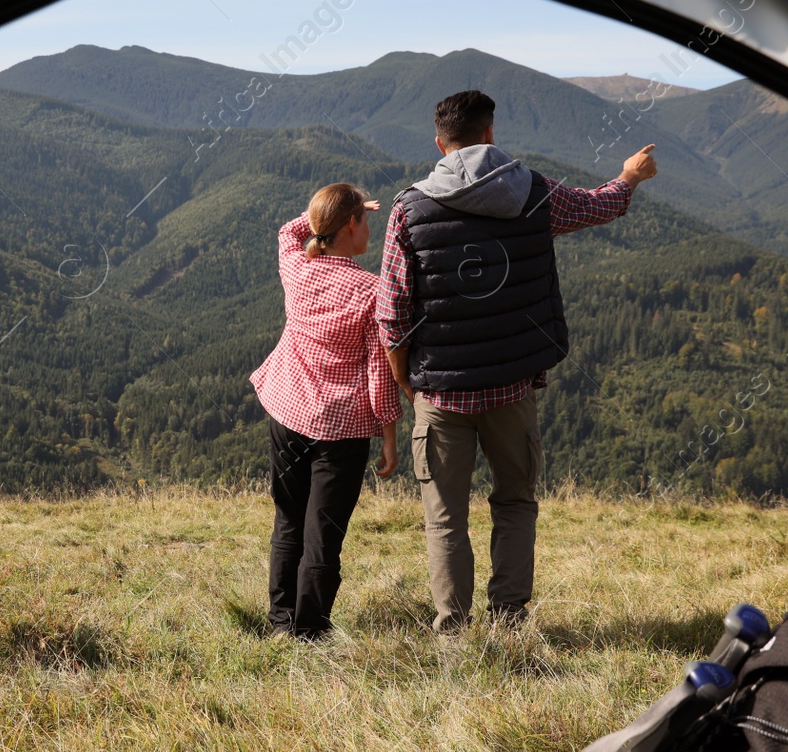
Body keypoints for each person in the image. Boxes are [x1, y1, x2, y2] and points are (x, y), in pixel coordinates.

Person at [378, 90, 658, 634]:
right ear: (489, 136)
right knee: (514, 502)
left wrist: (406, 384)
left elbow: (392, 314)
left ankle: (454, 631)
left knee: (444, 519)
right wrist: (629, 177)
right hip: (512, 387)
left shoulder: (408, 211)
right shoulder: (533, 191)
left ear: (440, 143)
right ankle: (508, 619)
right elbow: (597, 205)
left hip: (440, 391)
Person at [251, 183, 402, 638]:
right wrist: (390, 438)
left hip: (287, 410)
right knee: (324, 534)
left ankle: (281, 624)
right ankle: (310, 631)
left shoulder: (298, 269)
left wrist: (321, 216)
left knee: (289, 520)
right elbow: (380, 373)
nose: (369, 228)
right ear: (352, 226)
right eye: (365, 220)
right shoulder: (371, 291)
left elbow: (287, 232)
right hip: (341, 431)